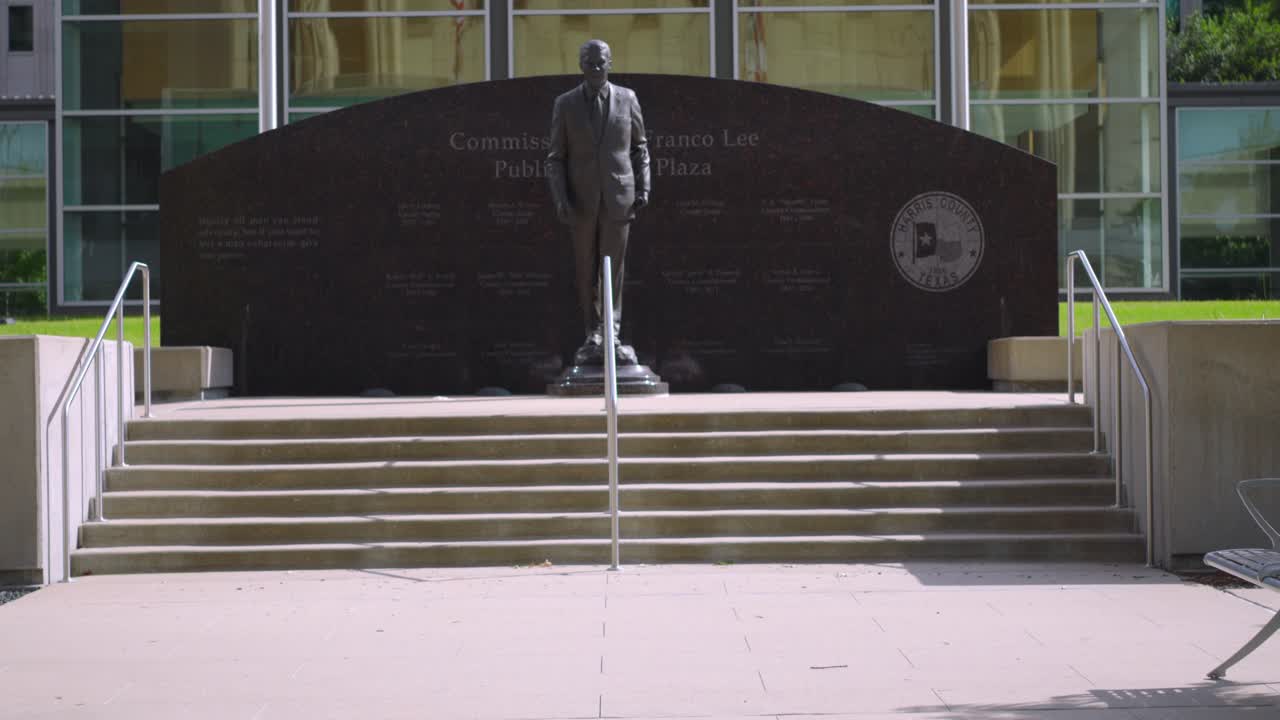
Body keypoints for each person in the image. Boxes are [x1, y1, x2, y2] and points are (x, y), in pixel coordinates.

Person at [546, 39, 650, 365]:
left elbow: (639, 147)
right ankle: (593, 333)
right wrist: (561, 198)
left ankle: (612, 333)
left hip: (619, 198)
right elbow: (555, 158)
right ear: (580, 65)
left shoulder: (627, 99)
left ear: (610, 63)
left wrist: (643, 187)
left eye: (600, 62)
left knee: (613, 270)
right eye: (589, 63)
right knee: (585, 270)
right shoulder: (565, 104)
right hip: (580, 201)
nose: (595, 68)